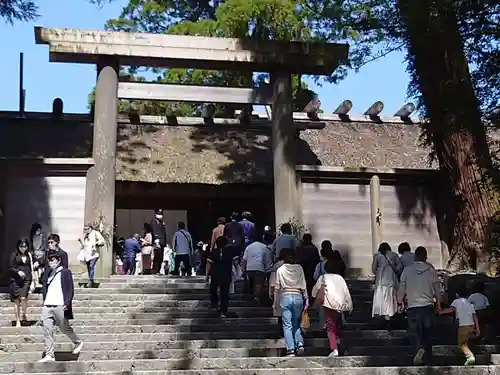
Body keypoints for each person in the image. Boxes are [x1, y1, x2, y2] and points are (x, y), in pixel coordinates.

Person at [397, 246, 441, 365]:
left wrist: (399, 301)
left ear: (415, 257)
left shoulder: (407, 270)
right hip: (427, 306)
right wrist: (438, 304)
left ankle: (418, 349)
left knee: (413, 332)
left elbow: (402, 287)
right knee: (428, 333)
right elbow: (437, 289)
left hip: (413, 306)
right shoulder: (431, 270)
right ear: (426, 257)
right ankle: (428, 359)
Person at [39, 251, 83, 363]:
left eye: (53, 260)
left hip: (59, 304)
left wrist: (67, 303)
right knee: (47, 330)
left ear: (58, 261)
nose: (51, 262)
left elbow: (70, 289)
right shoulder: (48, 273)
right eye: (49, 260)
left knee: (64, 328)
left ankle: (78, 342)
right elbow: (44, 285)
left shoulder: (65, 272)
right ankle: (50, 354)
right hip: (47, 305)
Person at [312, 260, 353, 358]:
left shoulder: (323, 277)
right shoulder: (340, 278)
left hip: (329, 304)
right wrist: (350, 306)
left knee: (330, 328)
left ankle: (334, 348)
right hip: (340, 306)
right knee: (338, 327)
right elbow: (346, 292)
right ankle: (343, 348)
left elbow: (314, 292)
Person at [274, 248, 308, 357]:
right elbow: (304, 284)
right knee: (296, 323)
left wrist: (275, 303)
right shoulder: (300, 268)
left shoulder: (280, 269)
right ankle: (300, 343)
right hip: (298, 295)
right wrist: (306, 298)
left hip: (285, 296)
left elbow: (277, 287)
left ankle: (291, 349)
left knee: (287, 324)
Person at [439, 288, 479, 366]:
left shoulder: (456, 301)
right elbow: (475, 316)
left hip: (463, 325)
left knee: (461, 343)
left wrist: (441, 311)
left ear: (457, 294)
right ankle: (466, 358)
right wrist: (477, 328)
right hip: (471, 325)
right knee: (465, 342)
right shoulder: (469, 303)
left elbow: (452, 309)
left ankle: (470, 356)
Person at [205, 236, 239, 318]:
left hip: (215, 275)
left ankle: (214, 304)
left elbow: (208, 265)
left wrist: (206, 276)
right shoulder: (230, 251)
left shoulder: (213, 252)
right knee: (224, 293)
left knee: (213, 290)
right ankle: (223, 310)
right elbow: (236, 262)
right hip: (226, 274)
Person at [372, 242, 403, 323]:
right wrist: (395, 270)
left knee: (381, 295)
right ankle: (390, 313)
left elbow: (373, 268)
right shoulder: (394, 255)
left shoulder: (377, 256)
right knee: (390, 295)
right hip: (391, 278)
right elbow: (400, 266)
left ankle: (381, 311)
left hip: (381, 279)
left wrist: (378, 272)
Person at [9, 239, 35, 327]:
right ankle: (17, 320)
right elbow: (11, 267)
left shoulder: (29, 255)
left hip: (26, 279)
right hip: (16, 280)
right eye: (21, 246)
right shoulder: (14, 255)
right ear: (18, 246)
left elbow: (32, 266)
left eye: (25, 246)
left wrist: (33, 279)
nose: (23, 248)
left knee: (23, 298)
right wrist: (18, 272)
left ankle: (24, 314)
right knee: (16, 300)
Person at [242, 231, 272, 305]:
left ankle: (251, 296)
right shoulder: (264, 247)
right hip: (260, 268)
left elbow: (244, 259)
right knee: (258, 284)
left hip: (249, 268)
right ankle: (256, 297)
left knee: (251, 283)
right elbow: (267, 259)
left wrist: (243, 268)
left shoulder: (249, 247)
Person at [297, 233, 321, 300]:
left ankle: (304, 298)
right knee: (311, 285)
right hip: (312, 269)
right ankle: (310, 299)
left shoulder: (300, 247)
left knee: (303, 285)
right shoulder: (314, 248)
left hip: (302, 268)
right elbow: (317, 259)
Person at [150, 209, 167, 274]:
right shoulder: (154, 221)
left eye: (161, 214)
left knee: (161, 257)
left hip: (162, 242)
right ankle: (155, 270)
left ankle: (158, 270)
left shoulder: (161, 222)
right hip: (158, 241)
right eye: (159, 214)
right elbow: (155, 231)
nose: (161, 216)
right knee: (157, 256)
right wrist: (156, 240)